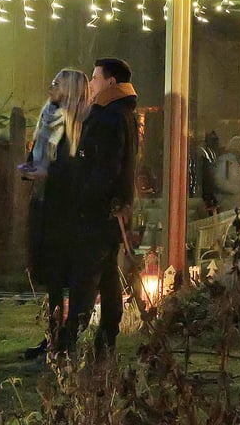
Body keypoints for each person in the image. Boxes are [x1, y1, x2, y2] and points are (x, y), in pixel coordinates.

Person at [61, 58, 138, 355]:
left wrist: (85, 200)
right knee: (107, 277)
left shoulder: (110, 116)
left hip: (97, 211)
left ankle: (69, 343)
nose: (91, 83)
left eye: (95, 78)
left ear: (110, 81)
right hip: (109, 210)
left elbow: (106, 166)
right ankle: (106, 340)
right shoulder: (119, 113)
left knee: (86, 277)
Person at [18, 68, 90, 359]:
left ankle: (65, 338)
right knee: (52, 279)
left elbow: (75, 173)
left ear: (69, 90)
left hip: (66, 213)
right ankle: (53, 335)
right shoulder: (49, 119)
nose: (51, 86)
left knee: (64, 276)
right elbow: (35, 161)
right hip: (45, 208)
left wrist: (48, 173)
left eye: (57, 83)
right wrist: (31, 168)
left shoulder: (80, 127)